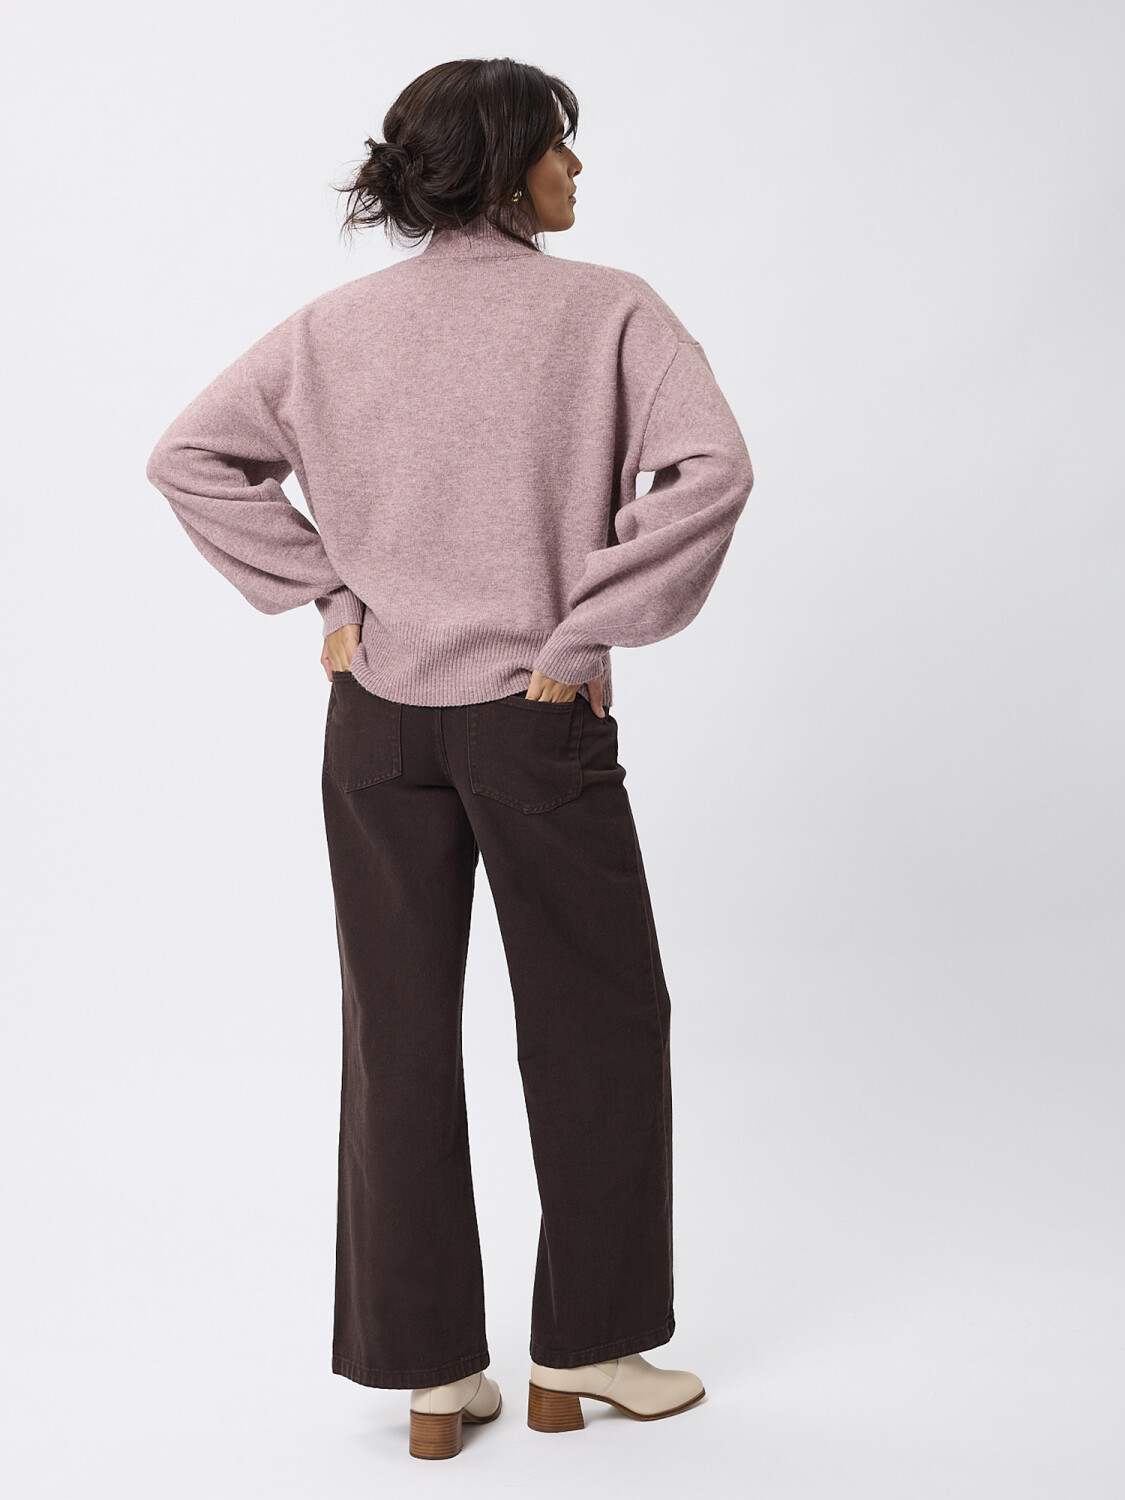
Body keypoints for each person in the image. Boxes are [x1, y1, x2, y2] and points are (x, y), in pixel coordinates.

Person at [145, 56, 754, 1462]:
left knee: (397, 1035)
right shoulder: (608, 309)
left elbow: (189, 457)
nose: (576, 170)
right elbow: (713, 471)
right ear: (502, 163)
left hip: (376, 726)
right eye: (558, 146)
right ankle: (585, 1349)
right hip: (536, 718)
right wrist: (581, 634)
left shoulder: (334, 328)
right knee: (598, 1024)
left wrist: (334, 600)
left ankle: (432, 1380)